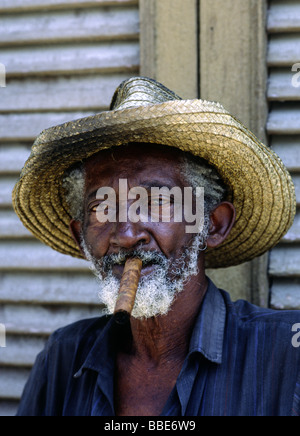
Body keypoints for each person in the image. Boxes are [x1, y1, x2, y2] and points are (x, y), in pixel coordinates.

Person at [13, 77, 300, 416]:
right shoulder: (62, 358)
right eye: (102, 209)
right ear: (81, 237)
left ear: (213, 225)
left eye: (157, 201)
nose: (127, 232)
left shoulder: (287, 356)